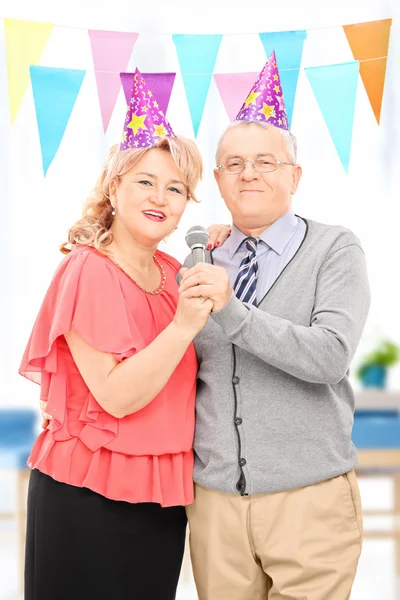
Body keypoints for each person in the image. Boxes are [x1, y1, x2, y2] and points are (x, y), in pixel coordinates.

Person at [19, 68, 228, 600]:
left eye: (176, 188)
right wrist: (183, 326)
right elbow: (115, 395)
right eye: (145, 181)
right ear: (114, 186)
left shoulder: (175, 274)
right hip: (86, 492)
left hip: (160, 496)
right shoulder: (89, 269)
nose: (161, 197)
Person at [179, 52, 371, 600]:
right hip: (214, 504)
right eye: (234, 163)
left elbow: (331, 356)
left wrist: (234, 312)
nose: (249, 173)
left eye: (265, 161)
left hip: (309, 499)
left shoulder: (335, 248)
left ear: (295, 175)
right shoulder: (201, 259)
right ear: (217, 178)